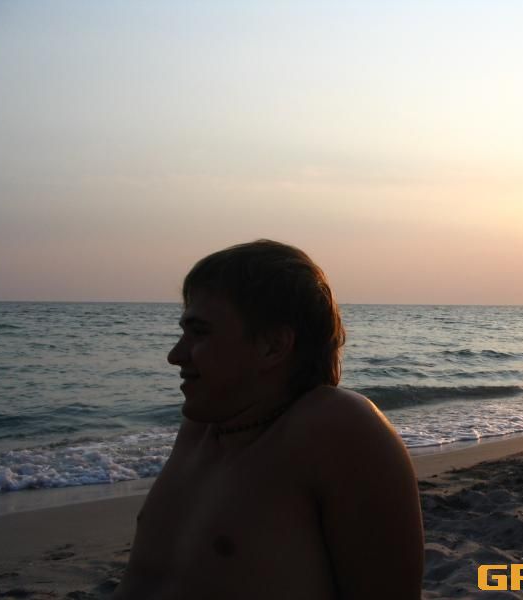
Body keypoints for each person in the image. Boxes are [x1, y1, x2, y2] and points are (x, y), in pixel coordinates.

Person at [114, 240, 424, 599]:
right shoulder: (203, 429)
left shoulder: (339, 430)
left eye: (199, 332)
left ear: (273, 346)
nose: (175, 355)